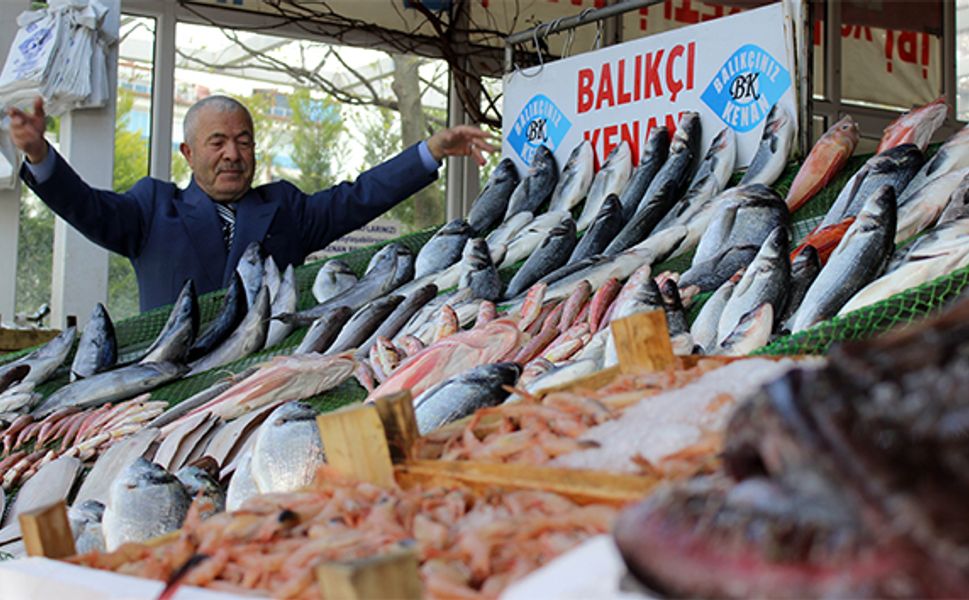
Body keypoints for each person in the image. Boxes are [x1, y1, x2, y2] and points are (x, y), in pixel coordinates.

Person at [7, 95, 496, 312]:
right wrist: (38, 154)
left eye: (244, 141)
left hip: (264, 388)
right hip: (168, 392)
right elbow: (86, 207)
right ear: (188, 152)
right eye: (217, 142)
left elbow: (358, 198)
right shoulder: (151, 208)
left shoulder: (284, 208)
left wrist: (429, 152)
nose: (233, 154)